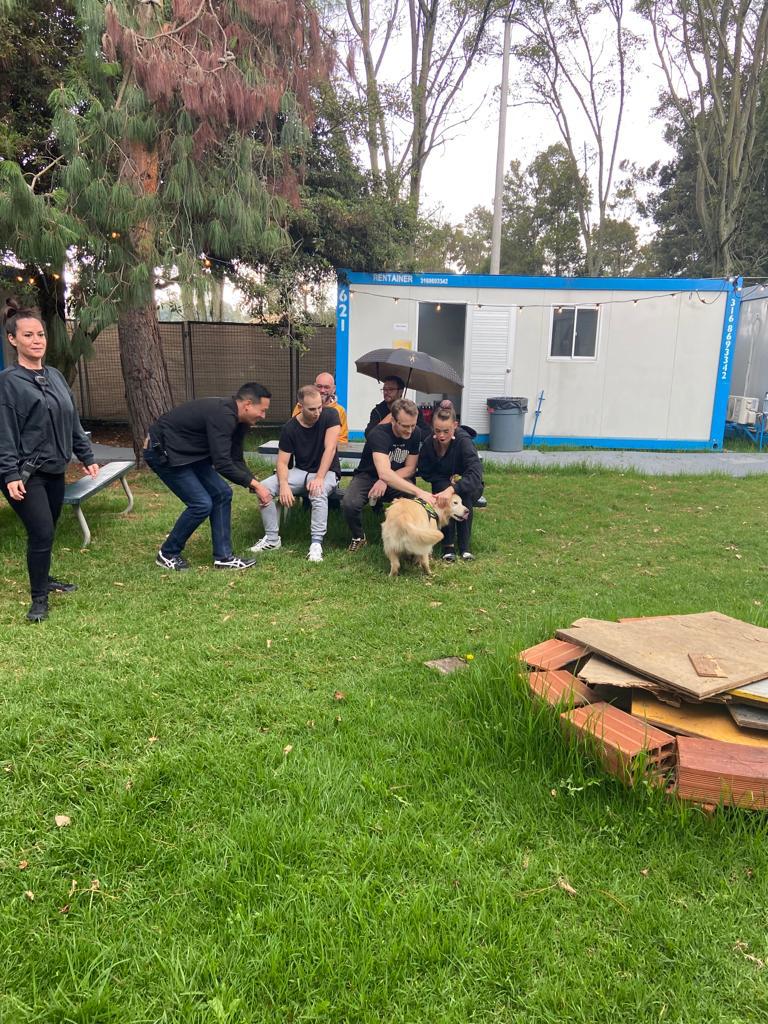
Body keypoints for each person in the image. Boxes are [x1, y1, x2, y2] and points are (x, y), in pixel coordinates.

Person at [0, 302, 99, 622]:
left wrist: (85, 455)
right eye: (28, 335)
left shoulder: (55, 376)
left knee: (48, 529)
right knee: (41, 531)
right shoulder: (8, 382)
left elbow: (70, 418)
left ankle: (45, 578)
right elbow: (4, 430)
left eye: (40, 334)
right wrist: (9, 472)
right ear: (13, 340)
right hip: (25, 474)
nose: (37, 340)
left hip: (55, 470)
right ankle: (38, 599)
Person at [144, 383, 272, 571]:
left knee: (222, 493)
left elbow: (234, 458)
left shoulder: (240, 421)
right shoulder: (222, 415)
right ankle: (167, 553)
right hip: (164, 452)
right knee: (201, 504)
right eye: (262, 410)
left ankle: (224, 558)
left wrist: (253, 484)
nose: (263, 416)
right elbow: (222, 464)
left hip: (189, 453)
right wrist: (257, 485)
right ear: (247, 405)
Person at [250, 385, 341, 562]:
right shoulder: (290, 428)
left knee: (318, 490)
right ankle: (272, 538)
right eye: (312, 409)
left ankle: (316, 544)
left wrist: (320, 478)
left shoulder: (330, 415)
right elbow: (283, 462)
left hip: (327, 471)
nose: (317, 412)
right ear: (300, 407)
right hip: (300, 471)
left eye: (319, 407)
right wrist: (284, 485)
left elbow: (330, 449)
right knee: (265, 488)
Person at [342, 397, 436, 552]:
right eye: (405, 426)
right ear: (393, 420)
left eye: (413, 425)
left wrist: (385, 480)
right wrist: (419, 491)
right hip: (368, 476)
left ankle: (411, 540)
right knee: (349, 503)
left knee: (417, 503)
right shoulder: (378, 434)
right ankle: (358, 537)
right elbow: (383, 472)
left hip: (396, 476)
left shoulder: (416, 433)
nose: (410, 430)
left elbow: (411, 468)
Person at [418, 402, 484, 562]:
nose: (441, 435)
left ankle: (464, 547)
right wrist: (444, 480)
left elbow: (475, 474)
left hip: (470, 485)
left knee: (463, 495)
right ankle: (448, 546)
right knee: (443, 491)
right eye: (437, 430)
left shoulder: (464, 441)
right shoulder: (429, 443)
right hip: (442, 485)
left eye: (446, 431)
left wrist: (454, 486)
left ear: (455, 425)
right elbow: (424, 471)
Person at [364, 375, 431, 439]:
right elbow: (369, 434)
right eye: (384, 389)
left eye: (391, 389)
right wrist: (390, 416)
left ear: (400, 391)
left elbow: (427, 433)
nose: (386, 392)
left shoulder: (413, 410)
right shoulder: (377, 411)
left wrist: (405, 429)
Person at [292, 372, 348, 444]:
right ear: (314, 386)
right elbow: (293, 430)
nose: (322, 390)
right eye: (319, 386)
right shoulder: (302, 406)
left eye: (326, 387)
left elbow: (342, 439)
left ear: (334, 389)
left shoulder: (340, 410)